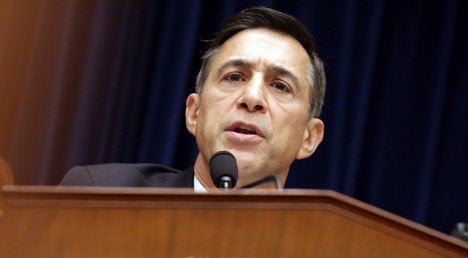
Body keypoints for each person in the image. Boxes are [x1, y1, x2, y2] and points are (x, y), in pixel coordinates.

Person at [59, 6, 325, 190]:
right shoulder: (103, 194)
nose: (252, 97)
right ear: (194, 113)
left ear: (309, 137)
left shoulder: (333, 253)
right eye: (234, 77)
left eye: (280, 86)